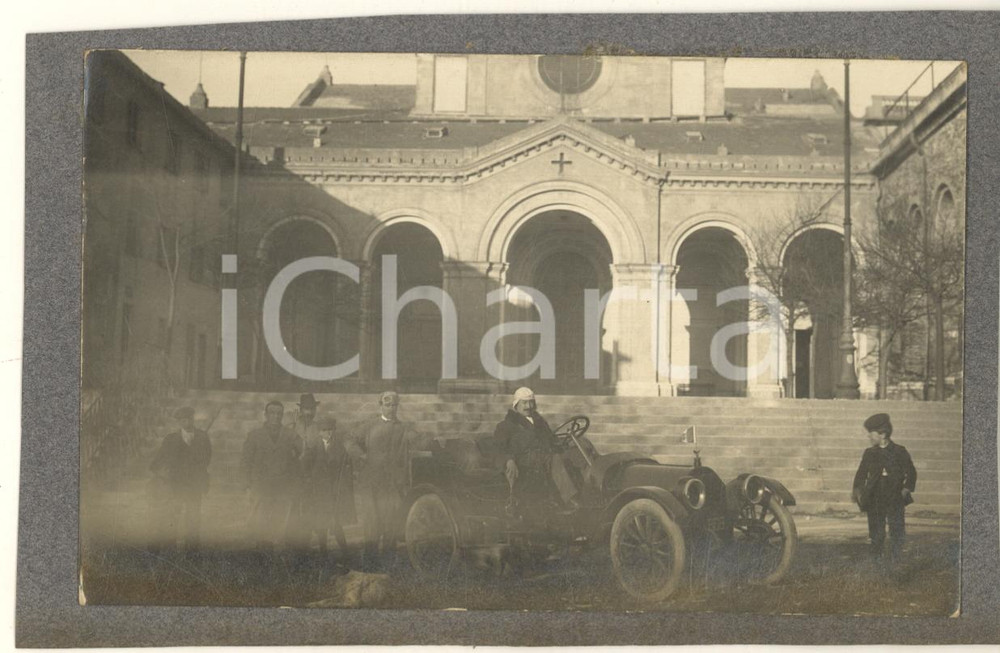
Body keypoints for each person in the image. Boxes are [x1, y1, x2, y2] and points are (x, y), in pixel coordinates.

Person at [345, 391, 412, 561]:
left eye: (394, 405)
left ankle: (389, 566)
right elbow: (349, 440)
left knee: (391, 524)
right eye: (387, 405)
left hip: (392, 485)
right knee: (372, 525)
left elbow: (413, 446)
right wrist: (362, 456)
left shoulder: (403, 428)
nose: (391, 408)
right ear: (380, 405)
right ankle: (370, 565)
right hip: (371, 483)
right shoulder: (369, 426)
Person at [492, 387, 579, 511]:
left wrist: (564, 445)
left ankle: (589, 490)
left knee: (576, 451)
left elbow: (551, 439)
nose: (529, 406)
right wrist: (509, 460)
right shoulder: (506, 425)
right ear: (516, 405)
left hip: (543, 458)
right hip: (523, 461)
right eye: (525, 403)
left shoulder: (540, 422)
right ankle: (569, 499)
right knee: (555, 459)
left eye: (531, 402)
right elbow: (498, 448)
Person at [852, 412, 917, 564]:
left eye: (871, 434)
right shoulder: (869, 453)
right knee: (876, 529)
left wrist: (906, 489)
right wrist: (857, 490)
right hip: (875, 495)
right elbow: (861, 473)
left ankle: (896, 558)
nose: (869, 437)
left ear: (882, 434)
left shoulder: (899, 451)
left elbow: (912, 472)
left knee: (897, 527)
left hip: (894, 494)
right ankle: (877, 559)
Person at [240, 400, 303, 551]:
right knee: (260, 524)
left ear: (282, 416)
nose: (275, 416)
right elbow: (245, 462)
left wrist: (294, 484)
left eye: (279, 414)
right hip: (261, 487)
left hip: (283, 487)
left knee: (280, 525)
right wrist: (246, 486)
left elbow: (300, 457)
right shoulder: (254, 435)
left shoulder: (291, 435)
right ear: (266, 415)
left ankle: (278, 557)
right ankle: (261, 556)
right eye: (272, 413)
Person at [149, 406, 212, 551]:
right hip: (175, 485)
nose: (186, 422)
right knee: (172, 518)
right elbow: (158, 460)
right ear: (179, 422)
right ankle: (170, 550)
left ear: (192, 419)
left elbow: (207, 458)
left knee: (193, 519)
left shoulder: (202, 437)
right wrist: (164, 474)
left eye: (189, 419)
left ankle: (192, 553)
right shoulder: (171, 439)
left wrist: (196, 465)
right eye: (183, 420)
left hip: (195, 485)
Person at [300, 416, 356, 557]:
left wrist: (343, 484)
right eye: (324, 430)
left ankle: (345, 552)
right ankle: (323, 552)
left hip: (334, 492)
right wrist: (309, 482)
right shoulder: (313, 447)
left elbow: (346, 468)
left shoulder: (340, 448)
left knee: (337, 524)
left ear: (334, 430)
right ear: (319, 432)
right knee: (321, 525)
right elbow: (305, 467)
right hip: (319, 493)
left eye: (330, 430)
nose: (328, 433)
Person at [286, 393, 320, 550]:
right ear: (300, 410)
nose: (309, 412)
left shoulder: (317, 427)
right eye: (306, 409)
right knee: (292, 506)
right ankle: (291, 540)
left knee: (308, 506)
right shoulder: (291, 425)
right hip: (293, 473)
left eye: (311, 409)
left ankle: (305, 540)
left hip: (310, 474)